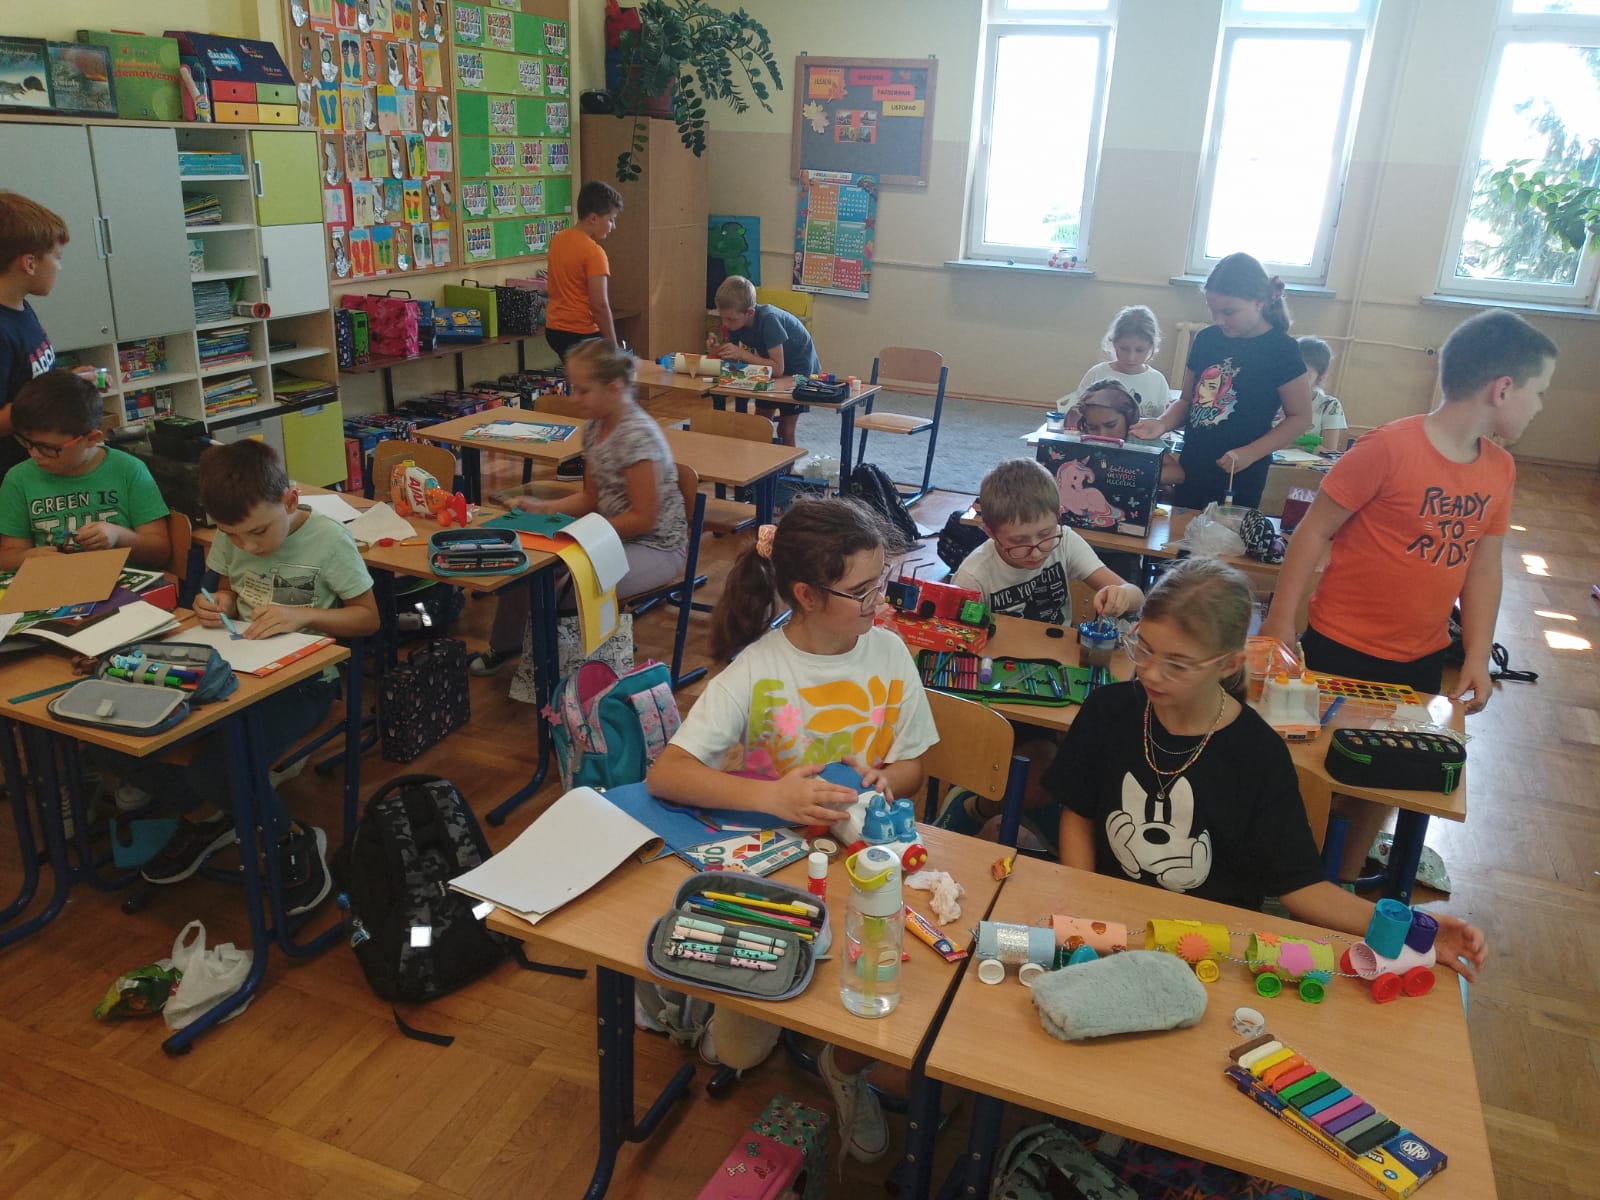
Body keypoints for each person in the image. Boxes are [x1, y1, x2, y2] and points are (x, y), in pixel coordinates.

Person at [649, 498, 937, 1165]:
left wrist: (886, 779)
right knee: (738, 1050)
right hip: (777, 873)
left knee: (884, 995)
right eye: (862, 590)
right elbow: (668, 774)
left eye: (882, 580)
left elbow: (915, 765)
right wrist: (774, 796)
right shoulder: (758, 668)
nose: (880, 600)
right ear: (806, 595)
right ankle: (704, 998)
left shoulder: (889, 651)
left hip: (867, 865)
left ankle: (841, 1065)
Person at [1051, 557, 1487, 976]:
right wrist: (1088, 906)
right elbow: (1078, 816)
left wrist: (1413, 930)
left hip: (1207, 948)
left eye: (1177, 664)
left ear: (1229, 664)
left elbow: (1301, 888)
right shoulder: (1109, 710)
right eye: (1144, 648)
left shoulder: (1257, 753)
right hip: (1111, 923)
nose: (1151, 673)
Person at [1259, 309, 1556, 881]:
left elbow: (1483, 568)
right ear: (1502, 389)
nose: (1539, 406)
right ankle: (1289, 876)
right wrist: (1279, 621)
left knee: (1386, 779)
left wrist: (1476, 656)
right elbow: (1313, 531)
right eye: (1538, 392)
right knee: (1314, 770)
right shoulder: (1388, 447)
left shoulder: (1500, 468)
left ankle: (1343, 880)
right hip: (1340, 647)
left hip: (1420, 658)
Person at [99, 440, 380, 912]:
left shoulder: (328, 539)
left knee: (216, 767)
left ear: (290, 501)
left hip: (305, 683)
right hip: (234, 671)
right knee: (120, 739)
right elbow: (227, 589)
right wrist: (220, 603)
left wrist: (303, 615)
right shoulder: (234, 537)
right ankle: (212, 812)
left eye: (258, 532)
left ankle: (288, 837)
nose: (248, 546)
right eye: (233, 535)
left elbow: (368, 618)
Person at [471, 339, 687, 681]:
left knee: (572, 585)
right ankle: (510, 645)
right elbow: (590, 498)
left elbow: (643, 519)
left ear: (614, 388)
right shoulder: (594, 428)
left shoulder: (637, 437)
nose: (574, 398)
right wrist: (542, 508)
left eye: (583, 390)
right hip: (612, 535)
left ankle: (574, 674)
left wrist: (583, 535)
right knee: (523, 562)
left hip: (656, 546)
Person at [1131, 253, 1312, 510]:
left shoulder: (1282, 349)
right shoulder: (1207, 339)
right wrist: (1162, 423)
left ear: (1259, 302)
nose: (1219, 320)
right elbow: (1187, 401)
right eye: (1212, 310)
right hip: (1193, 465)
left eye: (1228, 312)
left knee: (1224, 535)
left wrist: (1250, 453)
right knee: (1182, 532)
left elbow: (1300, 418)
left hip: (1241, 476)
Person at [0, 370, 170, 570]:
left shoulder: (128, 469)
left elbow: (160, 552)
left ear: (92, 439)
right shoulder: (19, 479)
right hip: (52, 581)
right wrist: (28, 558)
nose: (34, 454)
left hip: (121, 580)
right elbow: (7, 556)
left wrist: (119, 536)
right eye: (26, 442)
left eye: (47, 448)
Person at [954, 458, 1142, 626]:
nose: (1036, 552)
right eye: (1019, 540)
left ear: (1059, 515)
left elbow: (1137, 597)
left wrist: (1123, 595)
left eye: (1045, 534)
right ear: (991, 533)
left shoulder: (1066, 541)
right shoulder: (972, 577)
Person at [0, 191, 68, 479]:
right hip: (12, 476)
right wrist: (51, 400)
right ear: (29, 263)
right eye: (57, 257)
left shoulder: (21, 306)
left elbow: (29, 378)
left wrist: (69, 384)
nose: (59, 267)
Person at [708, 275, 820, 447]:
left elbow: (778, 369)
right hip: (771, 367)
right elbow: (733, 359)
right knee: (760, 425)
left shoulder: (769, 319)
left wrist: (742, 354)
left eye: (730, 319)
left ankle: (788, 463)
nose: (726, 324)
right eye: (722, 318)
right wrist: (717, 350)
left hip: (799, 370)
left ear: (749, 313)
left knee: (785, 429)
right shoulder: (737, 323)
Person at [544, 180, 623, 359]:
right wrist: (613, 346)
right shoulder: (594, 252)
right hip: (581, 333)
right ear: (593, 218)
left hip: (554, 330)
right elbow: (599, 305)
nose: (613, 226)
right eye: (611, 220)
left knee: (577, 374)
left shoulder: (557, 240)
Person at [1063, 304, 1171, 421]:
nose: (1131, 358)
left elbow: (1163, 421)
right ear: (1114, 342)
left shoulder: (1157, 380)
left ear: (1151, 346)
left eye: (1139, 350)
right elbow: (1077, 414)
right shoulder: (1097, 373)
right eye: (1124, 349)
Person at [1073, 379, 1184, 488]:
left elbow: (1177, 474)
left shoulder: (1141, 438)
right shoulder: (1082, 441)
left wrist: (1131, 476)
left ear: (1128, 417)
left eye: (1111, 425)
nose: (1103, 435)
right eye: (1093, 428)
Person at [1295, 335, 1348, 450]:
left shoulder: (1329, 406)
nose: (1295, 380)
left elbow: (1328, 451)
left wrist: (1292, 446)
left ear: (1320, 377)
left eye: (1306, 376)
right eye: (1291, 372)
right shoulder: (1271, 400)